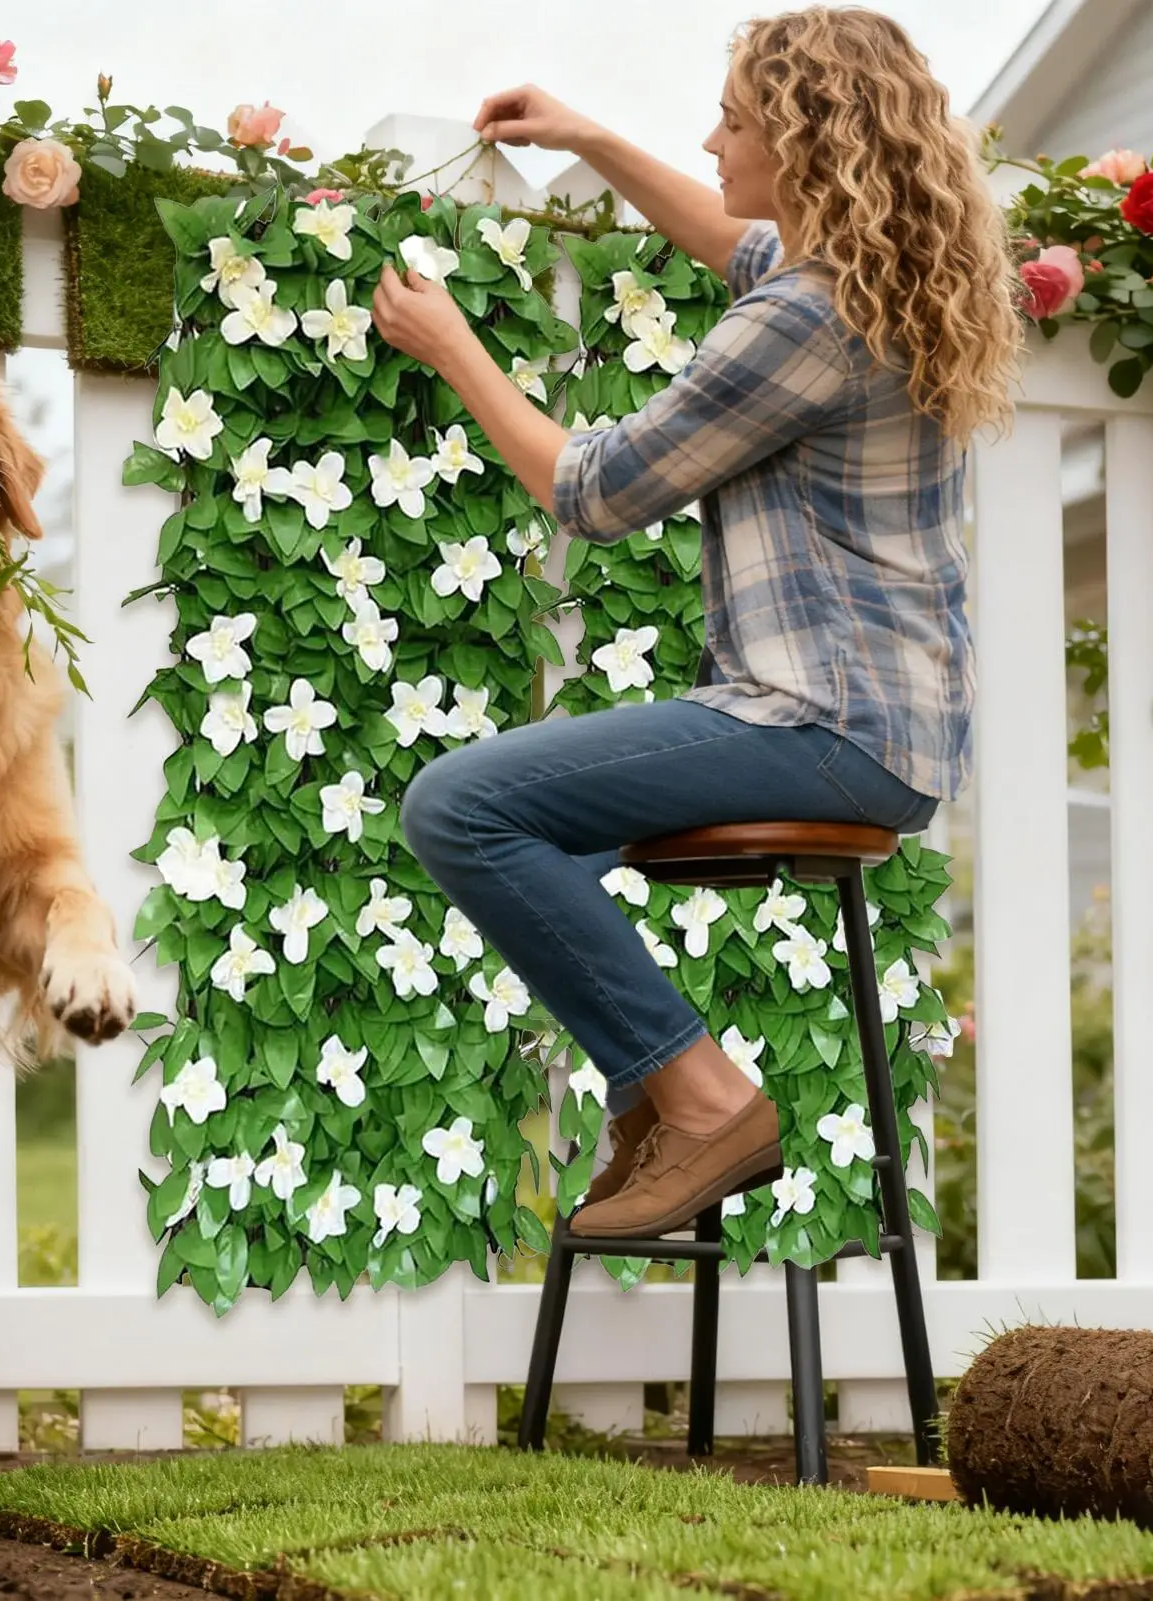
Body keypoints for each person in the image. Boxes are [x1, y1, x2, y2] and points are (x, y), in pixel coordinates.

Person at [371, 6, 1019, 1242]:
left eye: (731, 122)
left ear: (804, 143)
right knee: (540, 838)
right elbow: (731, 238)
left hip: (821, 722)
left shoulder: (807, 318)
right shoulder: (872, 283)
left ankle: (703, 1097)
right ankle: (652, 1098)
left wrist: (451, 345)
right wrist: (588, 138)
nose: (711, 142)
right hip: (886, 725)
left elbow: (594, 491)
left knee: (459, 805)